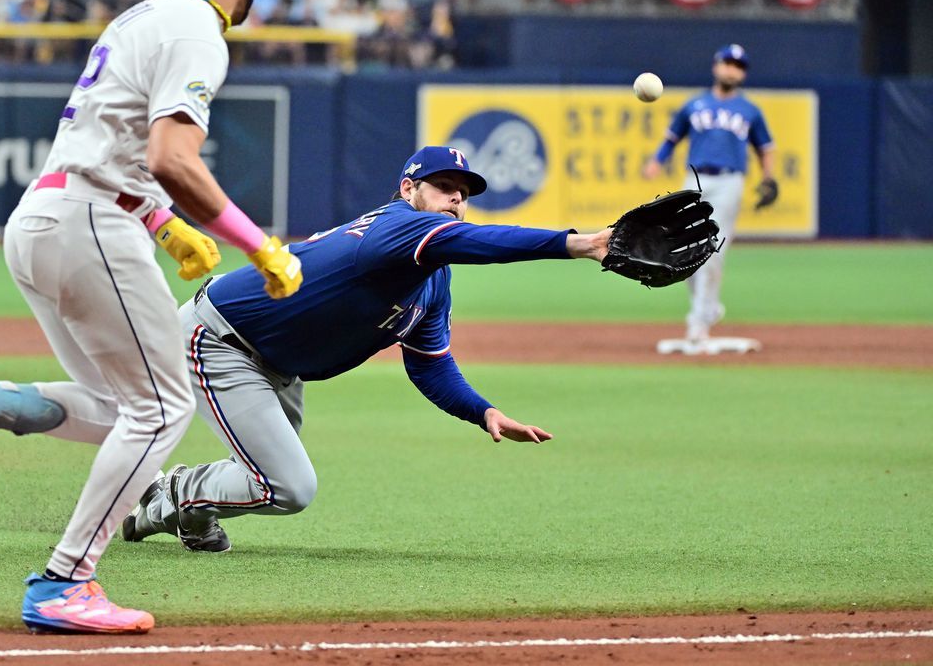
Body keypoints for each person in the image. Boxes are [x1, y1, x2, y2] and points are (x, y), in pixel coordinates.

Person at [0, 0, 302, 634]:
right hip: (91, 225)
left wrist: (164, 226)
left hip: (43, 217)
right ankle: (64, 580)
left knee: (118, 408)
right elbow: (170, 158)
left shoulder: (139, 18)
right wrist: (256, 243)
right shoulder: (200, 31)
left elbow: (110, 149)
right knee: (165, 408)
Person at [120, 146, 613, 552]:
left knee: (265, 474)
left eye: (463, 195)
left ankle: (186, 510)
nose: (456, 199)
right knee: (288, 486)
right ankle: (177, 494)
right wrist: (578, 243)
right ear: (408, 189)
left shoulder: (433, 280)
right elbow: (485, 243)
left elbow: (430, 366)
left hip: (276, 360)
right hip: (222, 338)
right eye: (444, 187)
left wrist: (482, 411)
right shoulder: (396, 227)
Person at [641, 44, 777, 348]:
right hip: (696, 179)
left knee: (712, 248)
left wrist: (769, 180)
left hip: (730, 181)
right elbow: (671, 138)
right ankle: (709, 309)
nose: (731, 69)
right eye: (727, 63)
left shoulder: (750, 111)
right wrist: (655, 161)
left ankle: (698, 323)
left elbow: (766, 148)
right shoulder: (694, 105)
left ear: (742, 74)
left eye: (738, 66)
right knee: (687, 249)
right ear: (716, 66)